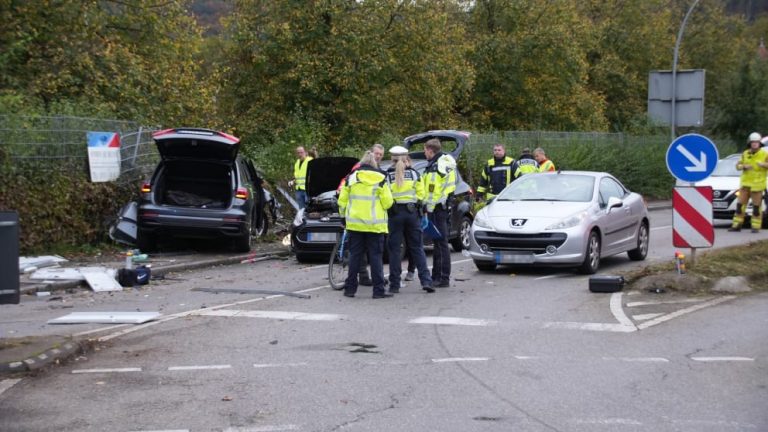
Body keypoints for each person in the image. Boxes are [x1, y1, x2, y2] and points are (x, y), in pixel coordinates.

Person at [337, 151, 394, 298]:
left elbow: (342, 201)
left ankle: (350, 290)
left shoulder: (351, 178)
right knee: (375, 258)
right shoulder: (381, 178)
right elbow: (388, 203)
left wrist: (343, 218)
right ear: (374, 163)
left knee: (355, 257)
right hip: (375, 226)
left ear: (361, 163)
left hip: (355, 225)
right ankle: (378, 291)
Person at [385, 146, 434, 293]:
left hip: (394, 214)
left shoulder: (387, 175)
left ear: (392, 159)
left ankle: (394, 285)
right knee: (417, 248)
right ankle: (426, 281)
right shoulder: (414, 174)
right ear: (406, 158)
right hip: (412, 214)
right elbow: (422, 194)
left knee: (394, 250)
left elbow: (385, 197)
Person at [421, 138, 456, 288]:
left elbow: (433, 192)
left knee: (441, 243)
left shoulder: (436, 167)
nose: (424, 153)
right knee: (438, 243)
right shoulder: (442, 163)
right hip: (440, 207)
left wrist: (427, 208)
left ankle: (442, 278)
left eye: (425, 150)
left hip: (436, 208)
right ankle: (437, 276)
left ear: (430, 150)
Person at [729, 132, 768, 233]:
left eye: (756, 142)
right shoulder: (745, 153)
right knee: (740, 206)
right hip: (745, 185)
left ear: (760, 143)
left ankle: (755, 227)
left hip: (757, 186)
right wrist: (743, 166)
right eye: (753, 142)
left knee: (756, 207)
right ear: (749, 143)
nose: (754, 144)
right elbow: (738, 166)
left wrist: (763, 164)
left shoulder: (765, 154)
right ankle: (736, 225)